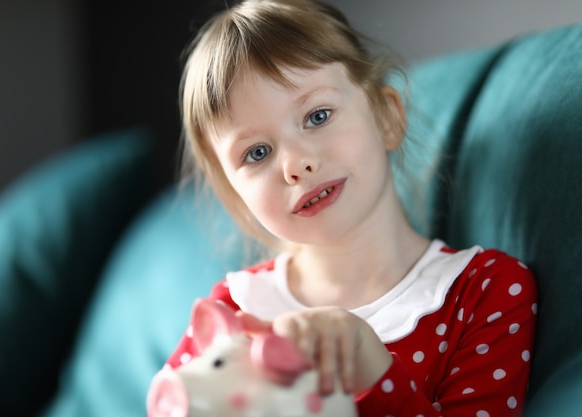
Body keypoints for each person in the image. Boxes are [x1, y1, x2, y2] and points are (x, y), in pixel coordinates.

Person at [151, 0, 537, 415]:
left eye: (317, 116)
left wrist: (374, 375)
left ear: (386, 116)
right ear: (235, 194)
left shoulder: (483, 294)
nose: (296, 164)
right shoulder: (235, 312)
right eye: (257, 152)